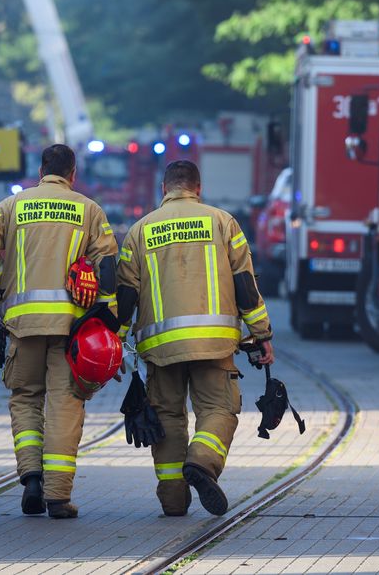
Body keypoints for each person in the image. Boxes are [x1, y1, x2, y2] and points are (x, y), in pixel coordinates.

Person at [116, 160, 275, 517]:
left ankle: (173, 500)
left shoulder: (139, 231)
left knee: (168, 417)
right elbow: (246, 287)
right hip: (214, 343)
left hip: (160, 347)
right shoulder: (223, 223)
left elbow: (125, 294)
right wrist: (262, 334)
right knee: (218, 409)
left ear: (164, 190)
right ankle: (202, 462)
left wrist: (115, 339)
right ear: (198, 189)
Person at [0, 144, 118, 519]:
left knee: (25, 398)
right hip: (71, 327)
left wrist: (0, 282)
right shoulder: (88, 209)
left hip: (23, 324)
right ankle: (57, 496)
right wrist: (106, 312)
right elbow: (108, 265)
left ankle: (32, 478)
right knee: (64, 404)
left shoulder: (12, 206)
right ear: (73, 174)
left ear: (40, 170)